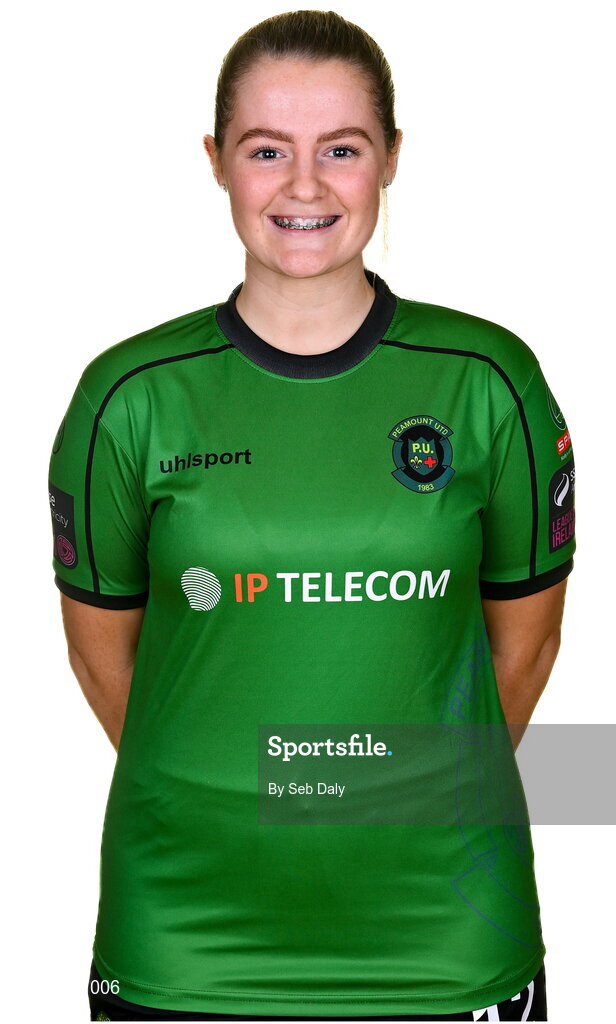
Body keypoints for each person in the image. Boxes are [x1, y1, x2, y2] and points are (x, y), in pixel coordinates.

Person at [47, 10, 574, 1022]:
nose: (302, 185)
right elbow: (103, 664)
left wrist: (388, 804)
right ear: (215, 161)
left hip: (444, 934)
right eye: (265, 150)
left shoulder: (487, 380)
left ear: (390, 159)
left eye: (340, 148)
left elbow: (525, 648)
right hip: (184, 938)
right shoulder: (130, 396)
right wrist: (239, 799)